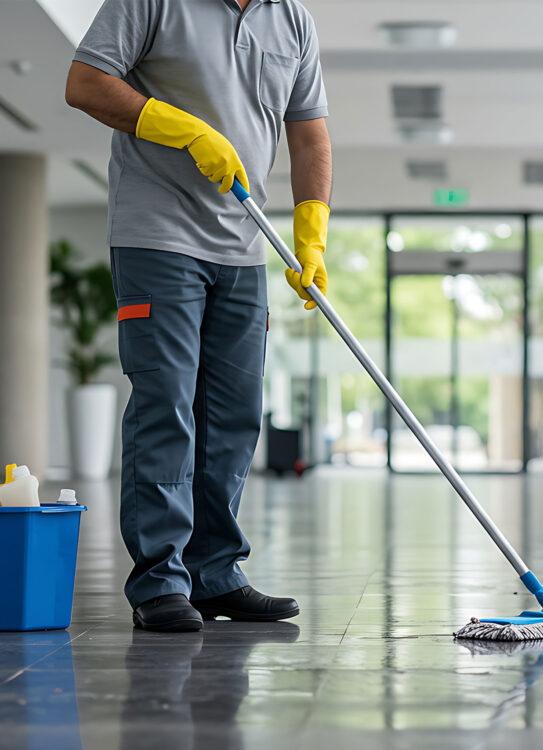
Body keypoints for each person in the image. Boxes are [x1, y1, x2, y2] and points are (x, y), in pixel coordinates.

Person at [64, 0, 332, 632]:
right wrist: (177, 126)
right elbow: (85, 83)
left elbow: (310, 131)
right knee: (167, 403)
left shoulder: (292, 19)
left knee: (234, 415)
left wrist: (311, 231)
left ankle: (215, 573)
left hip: (245, 242)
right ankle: (160, 580)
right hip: (157, 235)